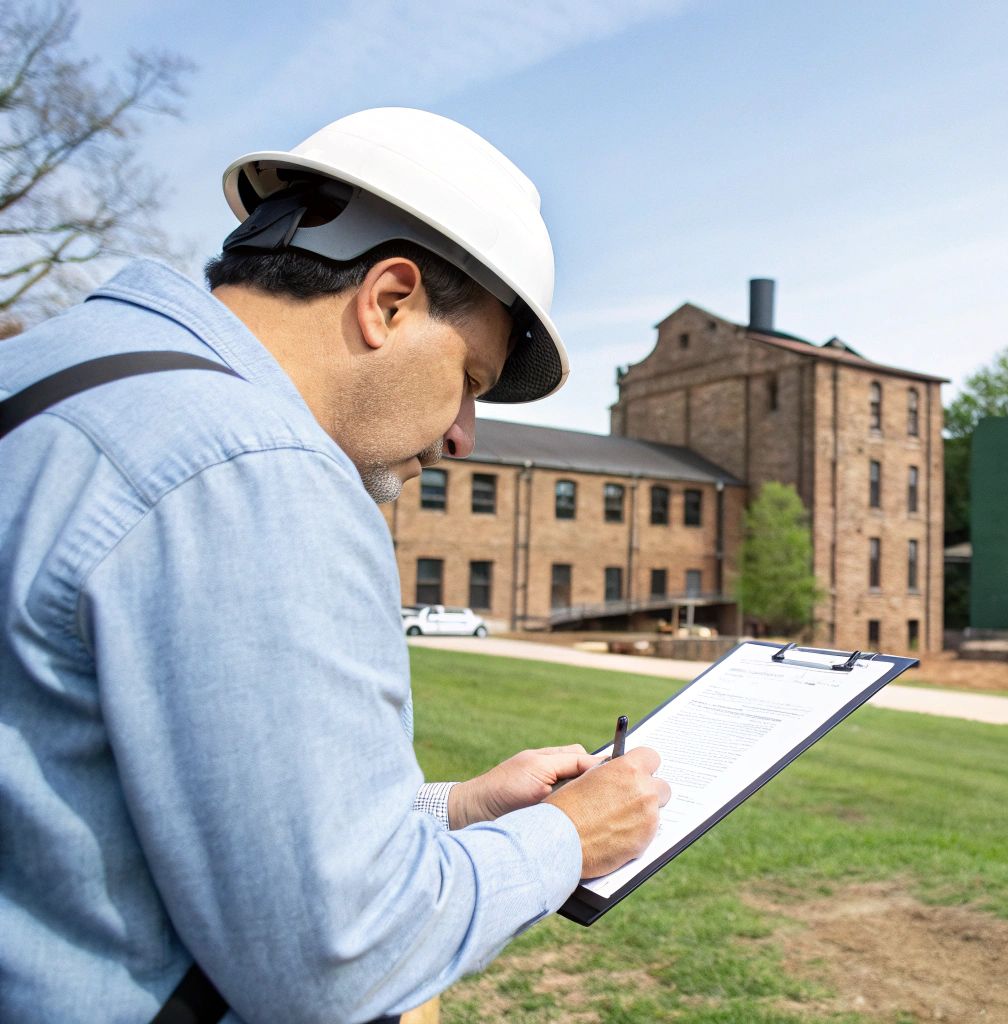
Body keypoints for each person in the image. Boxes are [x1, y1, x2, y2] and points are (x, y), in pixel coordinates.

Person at [0, 108, 670, 1021]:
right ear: (387, 301)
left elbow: (116, 801)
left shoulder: (57, 368)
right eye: (469, 380)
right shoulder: (259, 472)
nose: (464, 437)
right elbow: (342, 960)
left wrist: (457, 811)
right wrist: (564, 839)